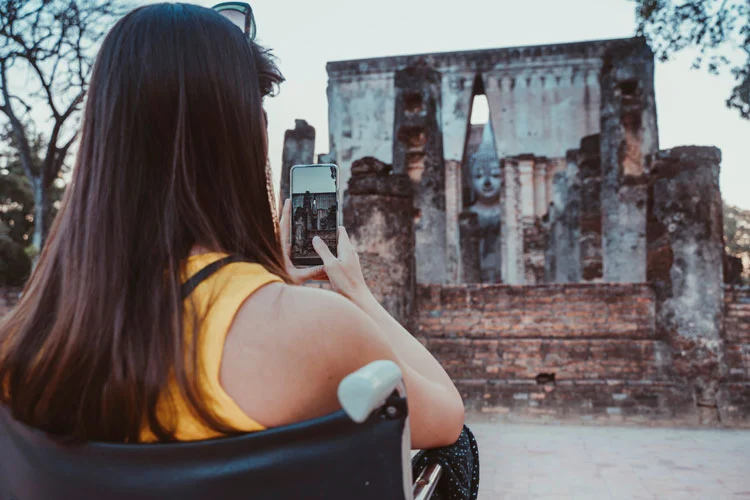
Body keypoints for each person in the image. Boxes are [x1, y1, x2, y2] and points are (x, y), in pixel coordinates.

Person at [0, 3, 464, 449]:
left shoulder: (24, 342)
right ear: (253, 134)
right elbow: (448, 420)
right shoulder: (316, 330)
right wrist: (356, 293)